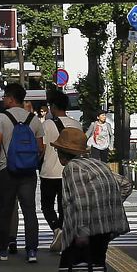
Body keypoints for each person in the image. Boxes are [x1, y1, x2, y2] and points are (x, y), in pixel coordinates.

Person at [49, 124, 130, 272]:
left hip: (83, 230)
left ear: (62, 153)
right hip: (103, 230)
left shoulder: (72, 169)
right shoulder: (97, 164)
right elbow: (125, 184)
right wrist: (106, 208)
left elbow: (81, 201)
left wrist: (83, 232)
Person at [0, 82, 44, 262]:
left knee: (5, 210)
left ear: (12, 98)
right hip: (29, 172)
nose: (3, 99)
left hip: (6, 170)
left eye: (5, 96)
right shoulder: (34, 119)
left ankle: (3, 250)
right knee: (29, 210)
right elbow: (40, 148)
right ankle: (31, 251)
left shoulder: (1, 118)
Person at [35, 89, 80, 233]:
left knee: (47, 205)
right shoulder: (76, 125)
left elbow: (41, 148)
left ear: (53, 106)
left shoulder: (47, 125)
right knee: (65, 206)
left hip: (49, 171)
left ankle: (56, 229)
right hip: (70, 172)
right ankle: (62, 231)